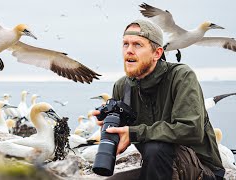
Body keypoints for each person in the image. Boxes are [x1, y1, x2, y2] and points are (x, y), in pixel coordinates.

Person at [94, 19, 225, 180]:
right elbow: (128, 135)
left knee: (156, 147)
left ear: (157, 53)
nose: (129, 50)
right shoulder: (122, 87)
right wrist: (112, 127)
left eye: (137, 45)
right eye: (125, 44)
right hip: (157, 167)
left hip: (201, 169)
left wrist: (134, 133)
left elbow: (191, 130)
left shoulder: (181, 76)